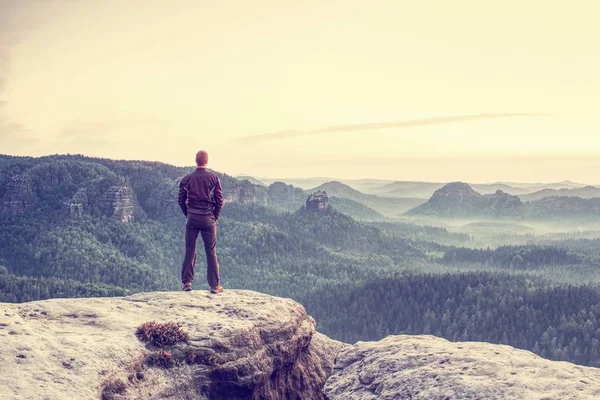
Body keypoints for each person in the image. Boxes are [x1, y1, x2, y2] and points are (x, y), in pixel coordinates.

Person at [178, 150, 224, 293]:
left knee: (190, 250)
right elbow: (219, 201)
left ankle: (187, 283)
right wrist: (213, 217)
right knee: (211, 251)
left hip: (192, 218)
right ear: (206, 161)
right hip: (208, 219)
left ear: (195, 161)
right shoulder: (214, 178)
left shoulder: (186, 179)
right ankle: (215, 286)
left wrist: (189, 214)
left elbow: (181, 201)